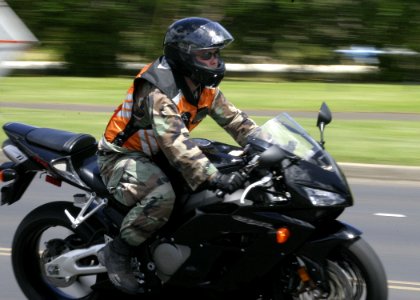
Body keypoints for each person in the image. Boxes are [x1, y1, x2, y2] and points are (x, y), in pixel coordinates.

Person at [96, 16, 262, 294]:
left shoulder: (203, 87)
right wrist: (215, 178)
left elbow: (238, 123)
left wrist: (274, 148)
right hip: (122, 157)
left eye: (216, 54)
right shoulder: (158, 91)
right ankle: (118, 251)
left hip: (157, 153)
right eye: (207, 55)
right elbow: (175, 144)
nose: (215, 61)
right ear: (184, 56)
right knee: (164, 197)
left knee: (230, 162)